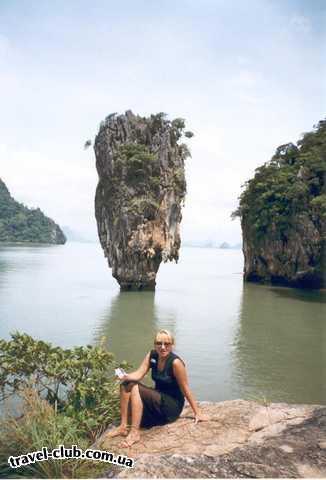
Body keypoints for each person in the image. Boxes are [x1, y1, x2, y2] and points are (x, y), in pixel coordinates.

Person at [108, 329, 209, 447]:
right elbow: (139, 374)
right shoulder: (152, 355)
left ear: (172, 345)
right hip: (158, 398)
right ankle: (123, 426)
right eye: (159, 343)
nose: (162, 347)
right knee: (126, 384)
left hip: (171, 406)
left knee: (135, 387)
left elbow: (185, 388)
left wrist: (197, 412)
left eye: (167, 344)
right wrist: (126, 376)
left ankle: (135, 433)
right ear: (154, 344)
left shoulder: (175, 363)